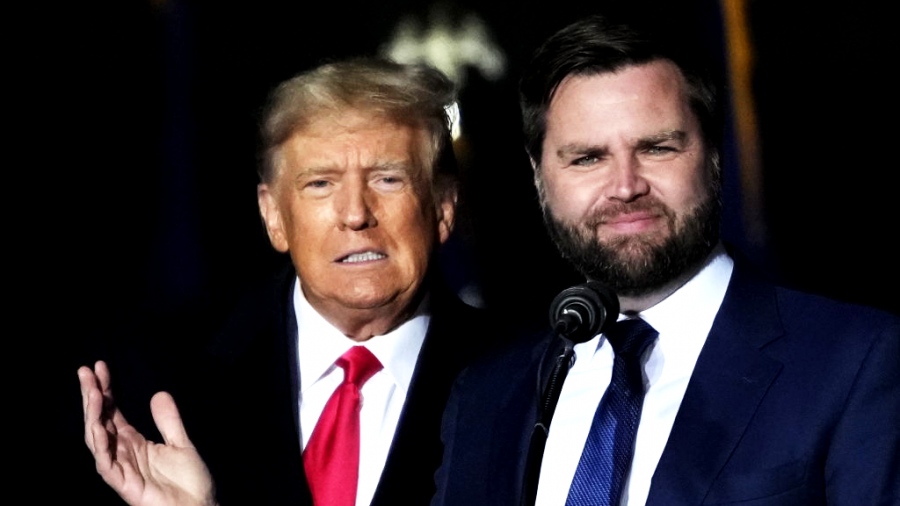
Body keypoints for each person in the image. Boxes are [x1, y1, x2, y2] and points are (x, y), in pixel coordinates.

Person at [432, 13, 900, 506]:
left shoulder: (856, 363)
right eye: (588, 158)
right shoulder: (485, 395)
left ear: (714, 154)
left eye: (656, 148)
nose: (625, 186)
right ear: (539, 175)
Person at [78, 57, 496, 506]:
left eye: (388, 179)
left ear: (444, 208)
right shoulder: (157, 376)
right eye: (320, 184)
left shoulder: (521, 382)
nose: (356, 214)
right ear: (273, 216)